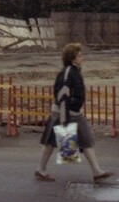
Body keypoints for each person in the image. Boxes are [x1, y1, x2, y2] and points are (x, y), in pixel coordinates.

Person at [34, 42, 114, 184]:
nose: (82, 58)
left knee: (57, 141)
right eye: (80, 55)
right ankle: (96, 172)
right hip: (66, 113)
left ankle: (96, 172)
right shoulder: (67, 73)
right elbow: (61, 94)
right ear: (73, 58)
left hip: (68, 112)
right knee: (82, 140)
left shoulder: (73, 71)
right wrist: (68, 114)